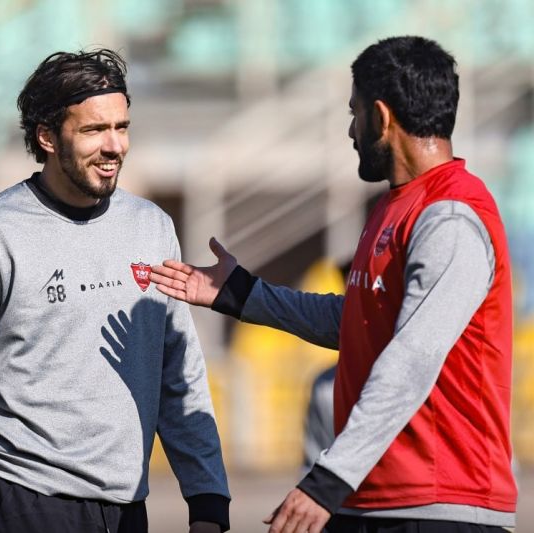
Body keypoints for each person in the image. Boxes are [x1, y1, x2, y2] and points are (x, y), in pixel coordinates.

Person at [149, 36, 516, 533]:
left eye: (354, 112)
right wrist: (240, 294)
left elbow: (412, 357)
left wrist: (329, 479)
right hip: (372, 500)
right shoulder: (395, 206)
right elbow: (360, 322)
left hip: (438, 504)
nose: (350, 130)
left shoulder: (450, 217)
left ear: (381, 117)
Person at [0, 49, 230, 533]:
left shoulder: (152, 227)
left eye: (122, 127)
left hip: (126, 504)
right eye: (94, 130)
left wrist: (207, 496)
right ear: (47, 137)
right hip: (25, 497)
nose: (114, 146)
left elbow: (178, 369)